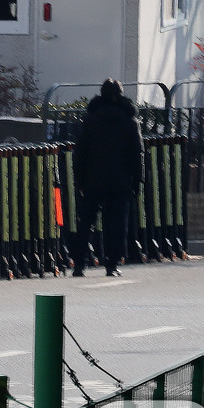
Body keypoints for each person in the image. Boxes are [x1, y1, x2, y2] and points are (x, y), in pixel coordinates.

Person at [71, 79, 144, 277]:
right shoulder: (129, 121)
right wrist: (138, 179)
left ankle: (79, 263)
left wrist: (79, 179)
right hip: (120, 181)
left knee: (86, 221)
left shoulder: (91, 119)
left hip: (93, 179)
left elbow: (80, 152)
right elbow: (136, 153)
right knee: (117, 224)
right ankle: (111, 264)